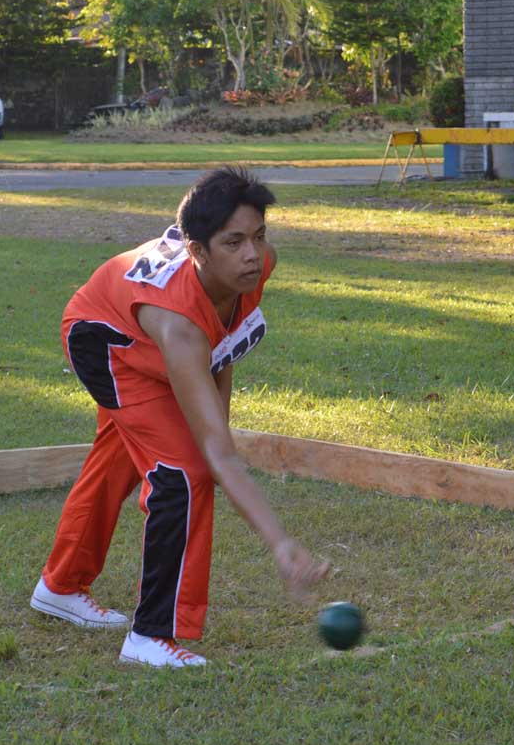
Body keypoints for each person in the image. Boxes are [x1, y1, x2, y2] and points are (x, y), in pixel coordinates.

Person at [32, 167, 329, 668]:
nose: (252, 254)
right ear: (199, 251)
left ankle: (60, 585)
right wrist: (281, 543)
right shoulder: (178, 323)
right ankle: (149, 636)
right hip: (104, 338)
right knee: (183, 472)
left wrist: (216, 415)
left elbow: (226, 336)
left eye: (258, 236)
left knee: (122, 458)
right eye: (233, 242)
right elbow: (216, 453)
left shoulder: (255, 267)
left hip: (147, 329)